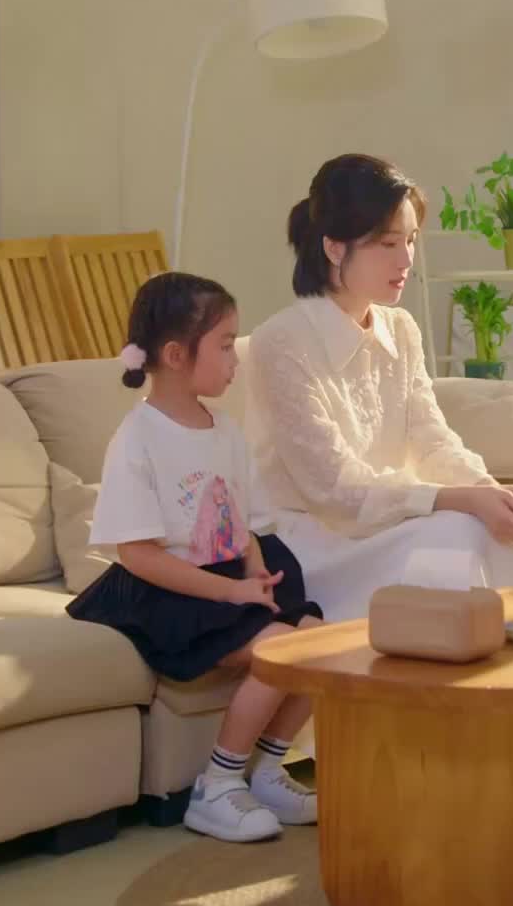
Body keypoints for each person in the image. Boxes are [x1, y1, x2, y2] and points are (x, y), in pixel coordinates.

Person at [68, 272, 325, 843]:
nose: (236, 360)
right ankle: (217, 786)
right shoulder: (138, 437)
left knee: (320, 644)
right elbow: (137, 554)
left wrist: (253, 566)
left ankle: (266, 773)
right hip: (167, 590)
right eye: (226, 345)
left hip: (227, 577)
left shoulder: (225, 429)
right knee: (280, 650)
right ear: (176, 354)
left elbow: (242, 519)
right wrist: (231, 591)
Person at [245, 153, 513, 637]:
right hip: (312, 543)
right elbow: (333, 489)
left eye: (410, 240)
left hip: (385, 523)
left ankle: (508, 656)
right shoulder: (281, 342)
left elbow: (432, 440)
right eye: (388, 243)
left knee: (483, 525)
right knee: (457, 530)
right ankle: (461, 661)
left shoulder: (401, 329)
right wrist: (460, 500)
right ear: (334, 247)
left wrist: (492, 493)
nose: (406, 259)